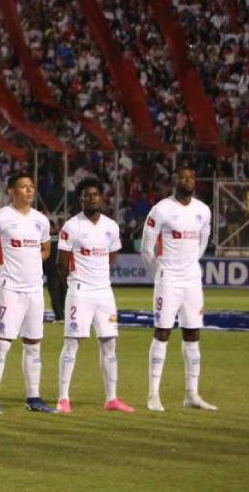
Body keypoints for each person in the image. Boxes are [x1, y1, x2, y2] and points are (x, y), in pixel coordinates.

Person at [0, 171, 56, 414]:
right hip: (10, 289)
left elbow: (45, 250)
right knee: (3, 343)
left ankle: (33, 397)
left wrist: (33, 262)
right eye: (23, 187)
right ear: (11, 191)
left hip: (34, 289)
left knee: (33, 344)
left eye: (31, 186)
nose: (29, 190)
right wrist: (3, 267)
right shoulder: (0, 218)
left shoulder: (41, 220)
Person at [141, 166, 217, 411]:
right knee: (162, 333)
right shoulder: (161, 209)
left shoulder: (203, 210)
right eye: (183, 177)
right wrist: (161, 274)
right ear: (174, 181)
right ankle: (153, 395)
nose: (188, 180)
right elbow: (146, 249)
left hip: (192, 280)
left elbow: (203, 242)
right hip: (168, 279)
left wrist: (189, 265)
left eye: (192, 176)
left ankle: (191, 394)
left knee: (192, 334)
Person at [55, 178, 134, 413]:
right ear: (80, 199)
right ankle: (63, 398)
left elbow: (111, 256)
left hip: (104, 292)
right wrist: (74, 282)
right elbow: (61, 264)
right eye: (87, 195)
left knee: (109, 343)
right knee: (71, 343)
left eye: (95, 194)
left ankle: (112, 399)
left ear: (102, 197)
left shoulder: (111, 226)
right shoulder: (71, 226)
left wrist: (100, 278)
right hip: (80, 292)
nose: (91, 198)